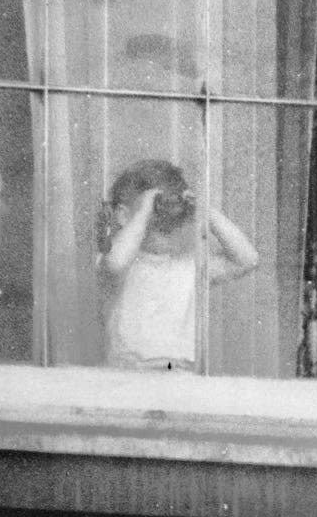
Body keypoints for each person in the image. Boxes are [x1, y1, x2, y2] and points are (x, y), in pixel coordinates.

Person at [97, 159, 258, 372]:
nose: (166, 226)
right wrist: (145, 210)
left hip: (180, 371)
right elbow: (116, 262)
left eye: (172, 222)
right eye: (156, 221)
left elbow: (247, 259)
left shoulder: (189, 264)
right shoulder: (117, 261)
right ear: (125, 216)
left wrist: (206, 211)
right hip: (127, 370)